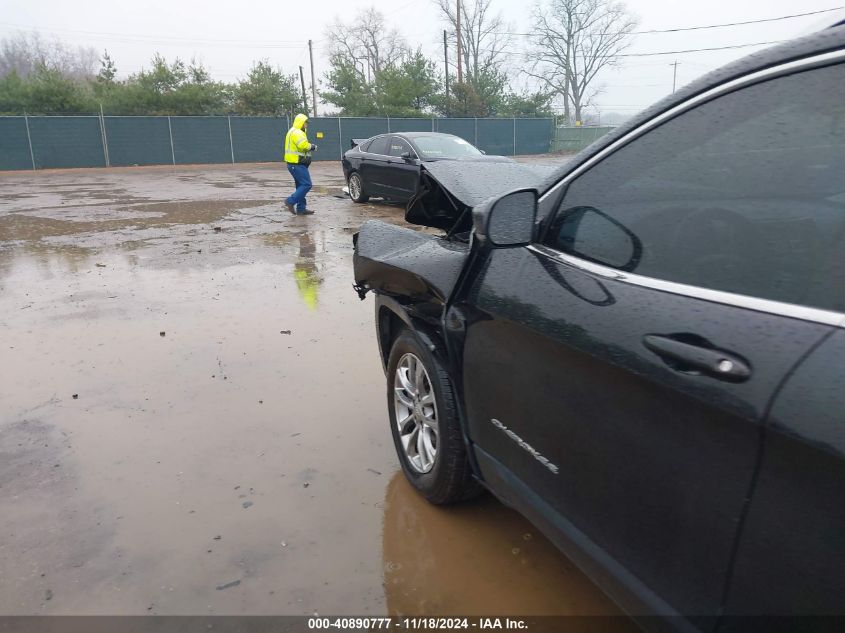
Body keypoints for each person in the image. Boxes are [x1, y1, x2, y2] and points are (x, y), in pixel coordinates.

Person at [284, 113, 318, 215]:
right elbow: (303, 145)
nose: (307, 124)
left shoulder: (293, 131)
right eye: (306, 122)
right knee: (307, 184)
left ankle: (301, 209)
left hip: (294, 163)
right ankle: (290, 201)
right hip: (296, 163)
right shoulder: (297, 132)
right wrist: (312, 146)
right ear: (301, 122)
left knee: (300, 186)